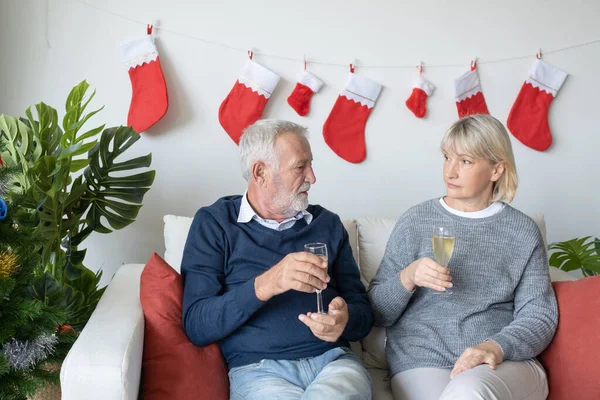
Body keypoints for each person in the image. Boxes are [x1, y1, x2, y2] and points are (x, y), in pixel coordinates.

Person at [368, 114, 558, 400]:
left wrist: (495, 347)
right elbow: (377, 312)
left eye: (465, 161)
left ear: (496, 170)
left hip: (498, 360)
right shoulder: (416, 221)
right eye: (447, 158)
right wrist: (408, 277)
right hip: (423, 361)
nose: (450, 172)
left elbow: (539, 315)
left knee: (469, 390)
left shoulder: (521, 231)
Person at [181, 119, 373, 400]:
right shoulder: (215, 224)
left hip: (334, 364)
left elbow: (364, 313)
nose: (312, 177)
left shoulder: (327, 224)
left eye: (311, 164)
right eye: (300, 166)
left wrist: (346, 319)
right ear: (260, 172)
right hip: (259, 372)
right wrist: (267, 283)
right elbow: (197, 325)